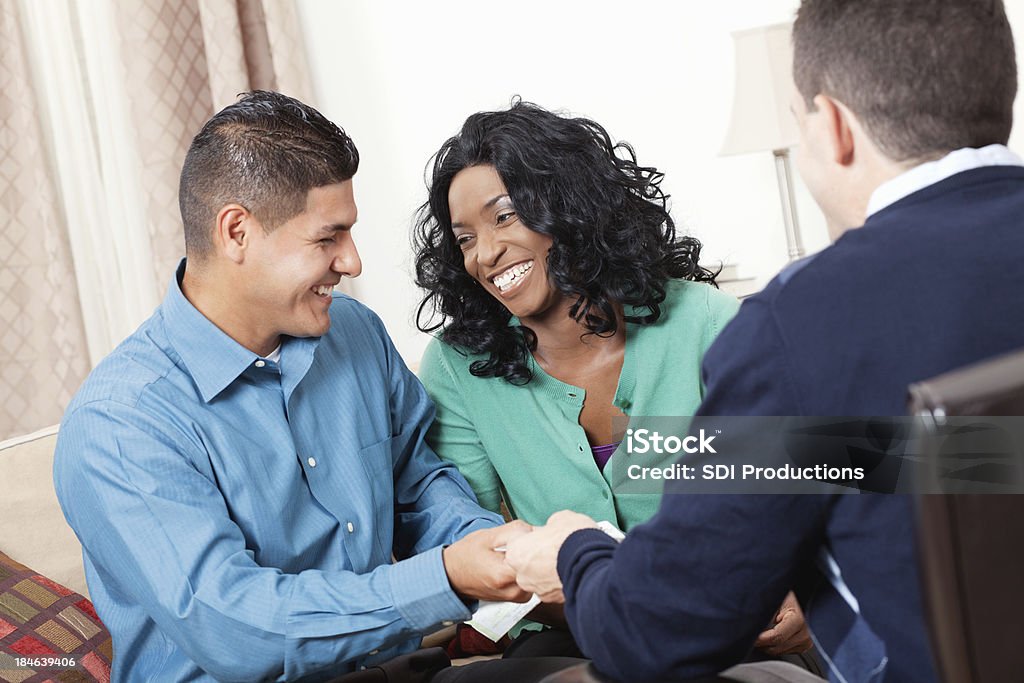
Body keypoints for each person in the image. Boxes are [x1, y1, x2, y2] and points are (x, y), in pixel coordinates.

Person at [505, 0, 1020, 681]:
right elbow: (965, 458)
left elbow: (656, 631)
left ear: (832, 125)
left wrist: (578, 550)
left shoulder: (801, 324)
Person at [53, 91, 583, 683]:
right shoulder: (120, 423)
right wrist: (448, 577)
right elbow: (237, 629)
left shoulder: (353, 334)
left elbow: (420, 486)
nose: (353, 262)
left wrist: (503, 552)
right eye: (328, 237)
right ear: (236, 232)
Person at [413, 101, 814, 663]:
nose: (485, 253)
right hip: (565, 637)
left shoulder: (706, 323)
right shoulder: (458, 368)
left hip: (727, 622)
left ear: (568, 206)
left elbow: (804, 487)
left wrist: (805, 588)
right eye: (465, 238)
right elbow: (473, 547)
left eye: (504, 215)